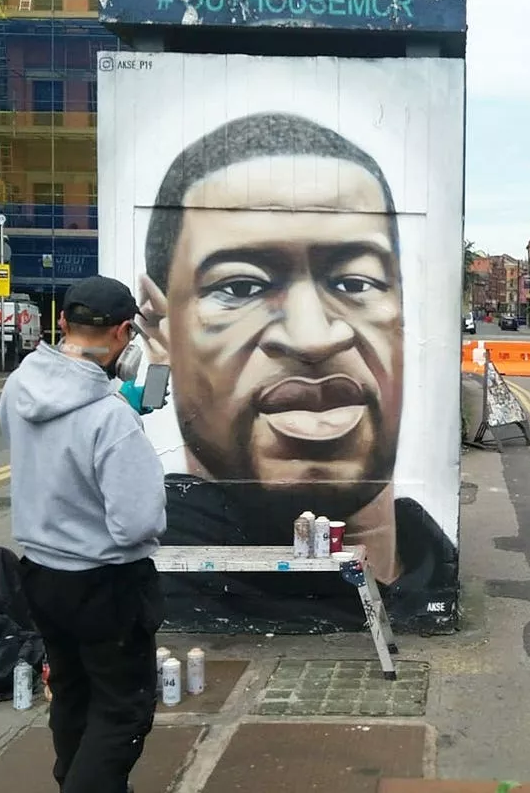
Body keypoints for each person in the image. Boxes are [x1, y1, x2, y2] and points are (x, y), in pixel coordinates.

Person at [139, 112, 457, 631]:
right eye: (239, 287)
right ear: (160, 331)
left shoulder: (441, 571)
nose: (314, 338)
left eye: (356, 283)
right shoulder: (153, 588)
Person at [0, 275, 167, 793]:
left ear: (64, 323)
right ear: (122, 333)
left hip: (42, 576)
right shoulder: (111, 420)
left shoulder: (17, 387)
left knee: (72, 694)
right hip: (105, 585)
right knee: (121, 711)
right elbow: (137, 524)